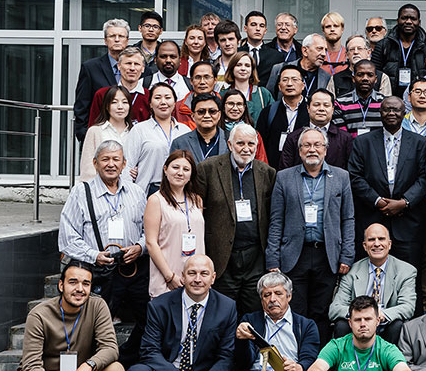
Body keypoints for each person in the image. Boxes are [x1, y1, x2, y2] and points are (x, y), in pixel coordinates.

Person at [268, 127, 355, 334]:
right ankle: (298, 352)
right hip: (294, 255)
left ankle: (320, 354)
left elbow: (348, 218)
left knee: (321, 312)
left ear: (325, 149)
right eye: (306, 145)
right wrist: (272, 258)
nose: (312, 149)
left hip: (327, 254)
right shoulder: (284, 177)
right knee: (296, 310)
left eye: (317, 145)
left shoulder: (341, 177)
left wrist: (347, 254)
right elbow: (276, 220)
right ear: (299, 151)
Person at [59, 140, 148, 324]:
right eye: (105, 159)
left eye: (116, 159)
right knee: (94, 325)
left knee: (144, 323)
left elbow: (150, 231)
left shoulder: (136, 192)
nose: (111, 164)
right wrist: (94, 255)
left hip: (133, 270)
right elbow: (67, 238)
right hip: (98, 272)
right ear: (95, 163)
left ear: (124, 164)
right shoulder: (81, 193)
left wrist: (140, 247)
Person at [193, 124, 276, 314]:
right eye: (240, 143)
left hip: (255, 258)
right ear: (230, 145)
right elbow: (196, 212)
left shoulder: (267, 172)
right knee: (222, 313)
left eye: (251, 144)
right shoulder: (208, 168)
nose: (246, 149)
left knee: (252, 314)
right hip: (223, 258)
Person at [347, 96, 426, 268]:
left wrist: (404, 202)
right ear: (380, 113)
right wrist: (377, 200)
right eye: (387, 109)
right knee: (369, 271)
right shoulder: (363, 142)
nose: (391, 113)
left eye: (396, 109)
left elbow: (424, 178)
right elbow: (354, 176)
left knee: (407, 272)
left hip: (407, 222)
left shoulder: (420, 143)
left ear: (404, 113)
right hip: (372, 217)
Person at [329, 223, 418, 343]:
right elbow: (335, 309)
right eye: (371, 240)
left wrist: (380, 315)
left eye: (381, 239)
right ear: (365, 246)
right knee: (341, 325)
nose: (376, 244)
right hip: (359, 326)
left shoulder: (406, 271)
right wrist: (362, 315)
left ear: (389, 244)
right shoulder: (352, 271)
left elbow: (408, 307)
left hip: (387, 322)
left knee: (398, 325)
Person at [144, 151, 205, 298]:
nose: (180, 173)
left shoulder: (197, 200)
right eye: (175, 167)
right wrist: (169, 276)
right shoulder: (156, 200)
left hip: (195, 278)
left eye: (186, 169)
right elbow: (151, 243)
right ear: (165, 170)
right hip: (167, 277)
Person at [123, 82, 192, 195]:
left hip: (180, 191)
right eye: (157, 98)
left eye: (168, 97)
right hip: (148, 190)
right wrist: (130, 194)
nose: (163, 102)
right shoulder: (139, 129)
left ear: (174, 102)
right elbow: (127, 165)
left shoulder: (185, 130)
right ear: (150, 104)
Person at [74, 18, 128, 142]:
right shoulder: (91, 68)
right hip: (100, 135)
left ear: (127, 40)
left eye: (121, 36)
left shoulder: (138, 68)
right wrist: (84, 134)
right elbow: (82, 105)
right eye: (112, 36)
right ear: (105, 40)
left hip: (129, 135)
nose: (117, 39)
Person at [278, 88, 353, 170]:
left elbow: (350, 170)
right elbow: (285, 171)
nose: (321, 109)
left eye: (326, 105)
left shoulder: (345, 138)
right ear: (308, 108)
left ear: (332, 109)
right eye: (316, 105)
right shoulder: (294, 137)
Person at [255, 65, 309, 168]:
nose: (289, 84)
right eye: (285, 80)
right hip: (274, 169)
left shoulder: (311, 111)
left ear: (303, 85)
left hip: (304, 168)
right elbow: (260, 145)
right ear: (279, 86)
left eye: (294, 80)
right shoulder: (269, 112)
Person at [371, 3, 426, 94]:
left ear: (419, 22)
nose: (408, 21)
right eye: (404, 18)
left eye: (413, 19)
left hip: (418, 97)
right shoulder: (383, 45)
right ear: (397, 21)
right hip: (389, 97)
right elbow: (374, 73)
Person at [80, 86, 133, 182]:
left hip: (129, 187)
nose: (120, 107)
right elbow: (87, 167)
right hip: (99, 187)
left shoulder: (135, 131)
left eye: (125, 102)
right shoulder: (95, 131)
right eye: (114, 102)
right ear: (107, 106)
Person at [87, 48, 149, 128]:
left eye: (136, 64)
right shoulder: (102, 94)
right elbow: (93, 127)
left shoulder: (150, 97)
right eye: (128, 63)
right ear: (119, 66)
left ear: (143, 68)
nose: (132, 68)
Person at [266, 33, 332, 98]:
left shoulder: (326, 77)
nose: (324, 54)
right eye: (319, 49)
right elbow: (269, 97)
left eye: (325, 50)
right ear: (305, 51)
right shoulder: (280, 69)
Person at [169, 93, 227, 165]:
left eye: (212, 111)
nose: (207, 116)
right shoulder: (180, 143)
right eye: (201, 112)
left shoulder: (230, 140)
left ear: (219, 115)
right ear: (193, 116)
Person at [332, 59, 385, 136]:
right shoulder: (340, 103)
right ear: (353, 78)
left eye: (370, 75)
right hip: (350, 143)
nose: (365, 78)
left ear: (376, 79)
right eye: (360, 75)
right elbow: (343, 136)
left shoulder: (384, 103)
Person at [219, 50, 274, 124]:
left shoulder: (263, 94)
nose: (243, 68)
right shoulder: (222, 95)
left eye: (247, 65)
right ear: (232, 68)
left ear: (252, 70)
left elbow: (273, 118)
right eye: (238, 65)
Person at [141, 40, 190, 105]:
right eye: (163, 57)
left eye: (173, 57)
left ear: (180, 60)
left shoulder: (190, 85)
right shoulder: (143, 84)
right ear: (155, 60)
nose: (168, 60)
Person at [175, 60, 218, 128]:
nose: (202, 82)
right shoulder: (177, 108)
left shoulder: (224, 106)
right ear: (191, 81)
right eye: (198, 77)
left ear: (215, 80)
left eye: (207, 77)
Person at [317, 11, 349, 77]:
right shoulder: (317, 55)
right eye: (328, 26)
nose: (332, 29)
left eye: (336, 26)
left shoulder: (348, 55)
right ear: (323, 30)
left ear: (342, 29)